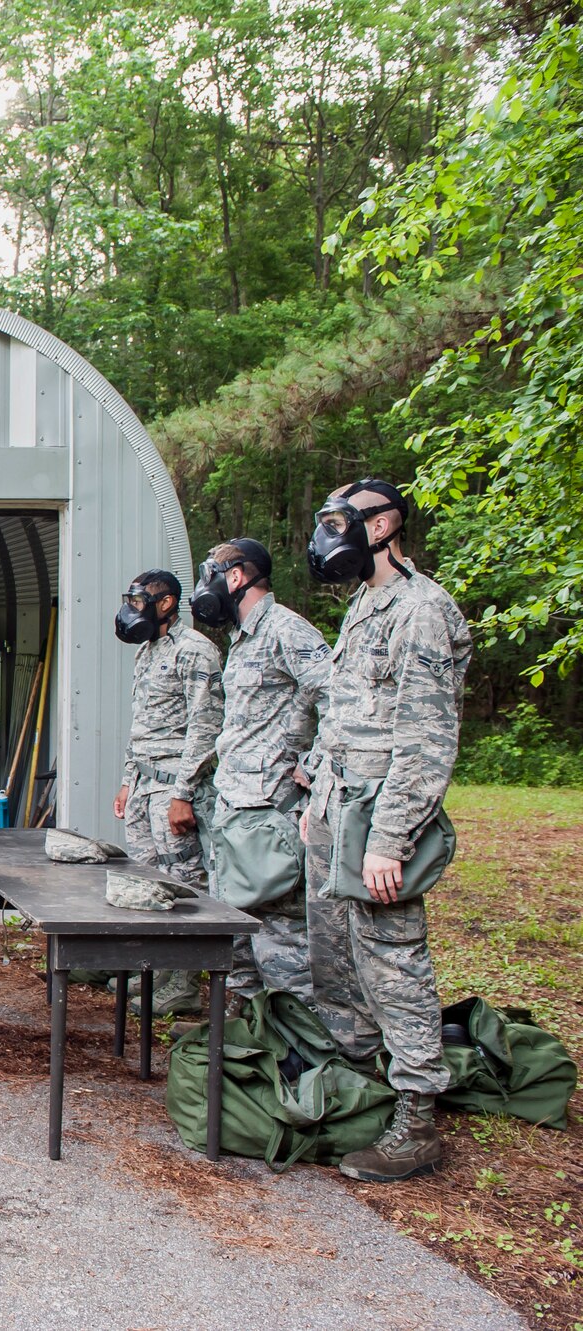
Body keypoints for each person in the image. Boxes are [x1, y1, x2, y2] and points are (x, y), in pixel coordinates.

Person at [301, 479, 470, 1183]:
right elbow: (345, 713)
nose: (329, 534)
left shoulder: (420, 609)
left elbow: (427, 740)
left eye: (341, 520)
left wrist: (388, 839)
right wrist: (314, 786)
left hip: (382, 815)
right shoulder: (364, 604)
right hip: (339, 806)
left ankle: (417, 1117)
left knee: (394, 961)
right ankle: (361, 1082)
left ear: (384, 523)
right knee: (339, 953)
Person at [192, 538, 330, 1006]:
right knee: (236, 937)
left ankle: (299, 1049)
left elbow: (340, 699)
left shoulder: (287, 630)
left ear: (235, 577)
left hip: (271, 811)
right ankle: (249, 1037)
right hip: (234, 808)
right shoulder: (244, 636)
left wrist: (312, 769)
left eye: (211, 573)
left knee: (281, 945)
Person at [111, 567, 223, 1016]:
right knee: (148, 881)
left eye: (140, 601)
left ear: (166, 603)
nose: (131, 610)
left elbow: (205, 725)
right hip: (143, 783)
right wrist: (126, 779)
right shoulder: (148, 649)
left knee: (184, 883)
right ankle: (157, 969)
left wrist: (183, 793)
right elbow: (142, 723)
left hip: (172, 787)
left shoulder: (195, 651)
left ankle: (184, 983)